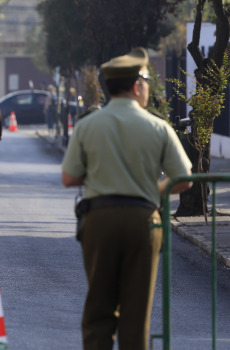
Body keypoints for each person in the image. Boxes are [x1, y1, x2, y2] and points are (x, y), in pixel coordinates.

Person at [61, 47, 193, 350]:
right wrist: (153, 189)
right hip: (143, 221)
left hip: (99, 219)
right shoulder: (158, 126)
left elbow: (69, 178)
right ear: (137, 86)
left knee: (99, 308)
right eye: (146, 81)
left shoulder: (88, 125)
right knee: (136, 313)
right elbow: (184, 178)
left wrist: (100, 174)